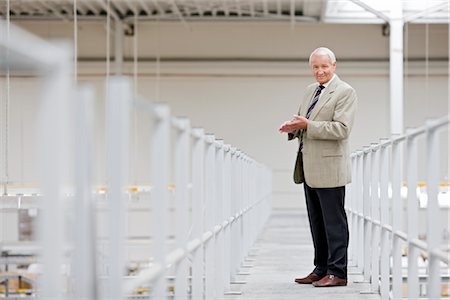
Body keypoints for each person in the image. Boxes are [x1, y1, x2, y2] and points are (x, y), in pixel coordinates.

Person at [278, 47, 357, 287]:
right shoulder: (310, 91)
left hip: (330, 168)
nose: (319, 71)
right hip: (309, 166)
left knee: (334, 223)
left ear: (334, 65)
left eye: (324, 66)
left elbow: (342, 129)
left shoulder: (345, 92)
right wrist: (294, 128)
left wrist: (308, 125)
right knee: (317, 222)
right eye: (315, 67)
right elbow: (306, 123)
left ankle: (338, 272)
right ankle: (321, 267)